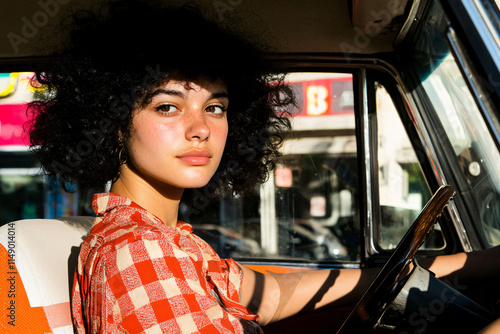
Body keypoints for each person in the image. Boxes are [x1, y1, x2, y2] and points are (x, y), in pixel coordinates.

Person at [27, 0, 500, 333]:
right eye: (168, 107)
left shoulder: (168, 242)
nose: (200, 128)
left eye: (215, 107)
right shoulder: (138, 253)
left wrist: (479, 264)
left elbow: (273, 296)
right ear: (112, 123)